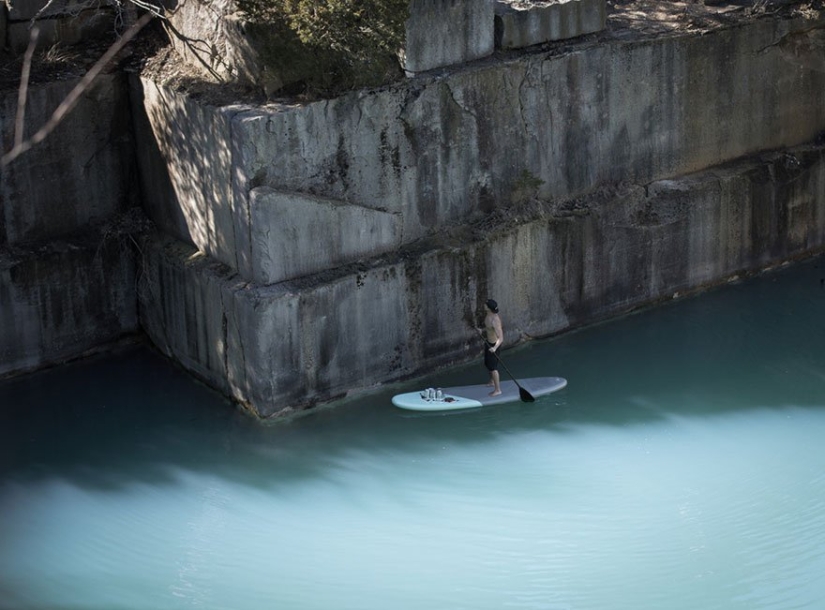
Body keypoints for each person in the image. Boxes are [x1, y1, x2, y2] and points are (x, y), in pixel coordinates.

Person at [481, 299, 503, 396]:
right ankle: (492, 381)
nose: (484, 305)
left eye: (485, 305)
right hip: (488, 343)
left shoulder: (495, 320)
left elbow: (501, 338)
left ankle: (498, 390)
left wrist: (495, 348)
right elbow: (489, 328)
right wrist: (482, 330)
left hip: (494, 345)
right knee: (487, 363)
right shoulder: (488, 315)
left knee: (493, 368)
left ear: (489, 308)